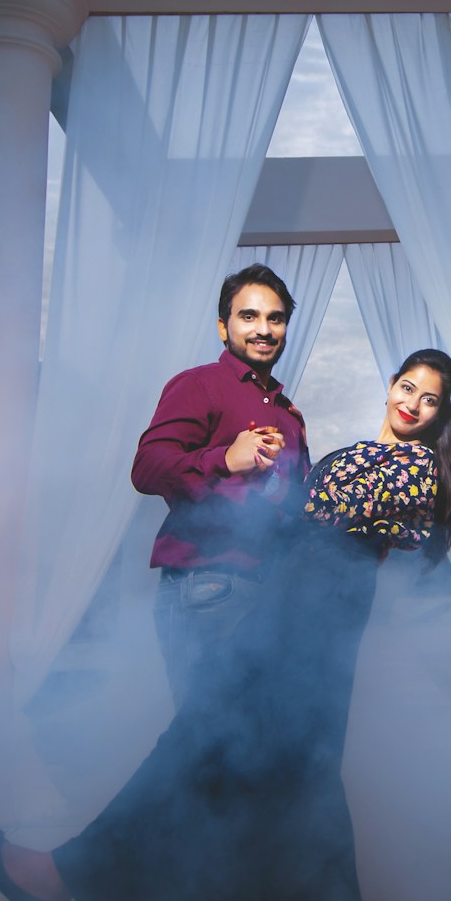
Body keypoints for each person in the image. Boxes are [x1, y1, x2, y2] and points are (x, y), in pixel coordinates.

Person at [0, 349, 451, 901]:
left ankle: (63, 874)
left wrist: (258, 482)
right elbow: (300, 516)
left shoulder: (414, 468)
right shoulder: (358, 454)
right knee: (295, 774)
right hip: (304, 608)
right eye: (407, 386)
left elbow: (315, 527)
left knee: (205, 745)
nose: (413, 402)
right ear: (391, 386)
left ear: (442, 413)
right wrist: (247, 471)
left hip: (309, 614)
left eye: (430, 398)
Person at [130, 263, 311, 706]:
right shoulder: (199, 385)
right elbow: (148, 467)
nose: (263, 329)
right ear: (222, 327)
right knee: (207, 743)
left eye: (275, 318)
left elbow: (293, 510)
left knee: (255, 746)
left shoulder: (289, 416)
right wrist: (224, 459)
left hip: (273, 593)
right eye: (248, 316)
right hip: (210, 586)